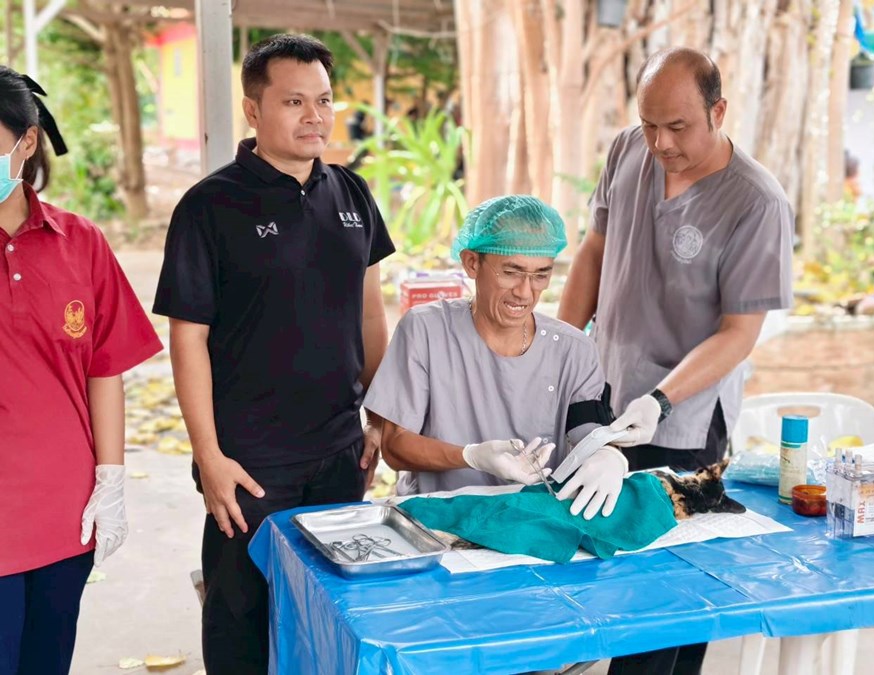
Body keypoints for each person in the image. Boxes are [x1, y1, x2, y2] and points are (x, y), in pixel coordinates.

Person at [153, 34, 394, 674]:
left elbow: (370, 313)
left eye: (325, 100)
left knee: (331, 616)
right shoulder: (210, 205)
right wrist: (210, 457)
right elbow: (188, 339)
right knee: (241, 618)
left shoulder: (353, 193)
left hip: (339, 451)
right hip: (249, 461)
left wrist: (380, 418)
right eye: (294, 101)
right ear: (253, 110)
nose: (315, 116)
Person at [558, 47, 794, 675]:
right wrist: (558, 355)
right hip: (605, 401)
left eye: (678, 127)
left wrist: (660, 400)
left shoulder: (756, 202)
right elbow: (594, 253)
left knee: (669, 602)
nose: (660, 143)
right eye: (649, 124)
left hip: (684, 423)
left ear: (718, 112)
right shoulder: (627, 151)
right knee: (611, 587)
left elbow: (739, 333)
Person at [0, 66, 162, 675]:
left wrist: (111, 481)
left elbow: (104, 368)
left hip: (63, 513)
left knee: (46, 661)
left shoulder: (80, 242)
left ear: (27, 142)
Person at [364, 195, 629, 523]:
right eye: (511, 272)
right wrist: (471, 456)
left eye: (540, 275)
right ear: (472, 263)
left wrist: (609, 455)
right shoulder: (426, 331)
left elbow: (588, 429)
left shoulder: (574, 349)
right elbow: (395, 447)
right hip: (439, 519)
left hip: (533, 521)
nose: (525, 292)